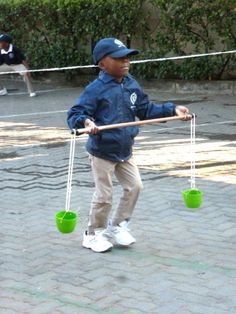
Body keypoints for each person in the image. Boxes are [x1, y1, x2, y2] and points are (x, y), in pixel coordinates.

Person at [67, 37, 192, 253]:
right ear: (102, 64)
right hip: (102, 151)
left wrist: (173, 109)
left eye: (127, 58)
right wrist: (86, 123)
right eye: (119, 58)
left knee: (135, 186)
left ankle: (116, 226)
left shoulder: (131, 83)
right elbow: (77, 113)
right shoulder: (95, 89)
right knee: (104, 195)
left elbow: (145, 110)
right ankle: (92, 234)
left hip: (125, 149)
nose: (125, 62)